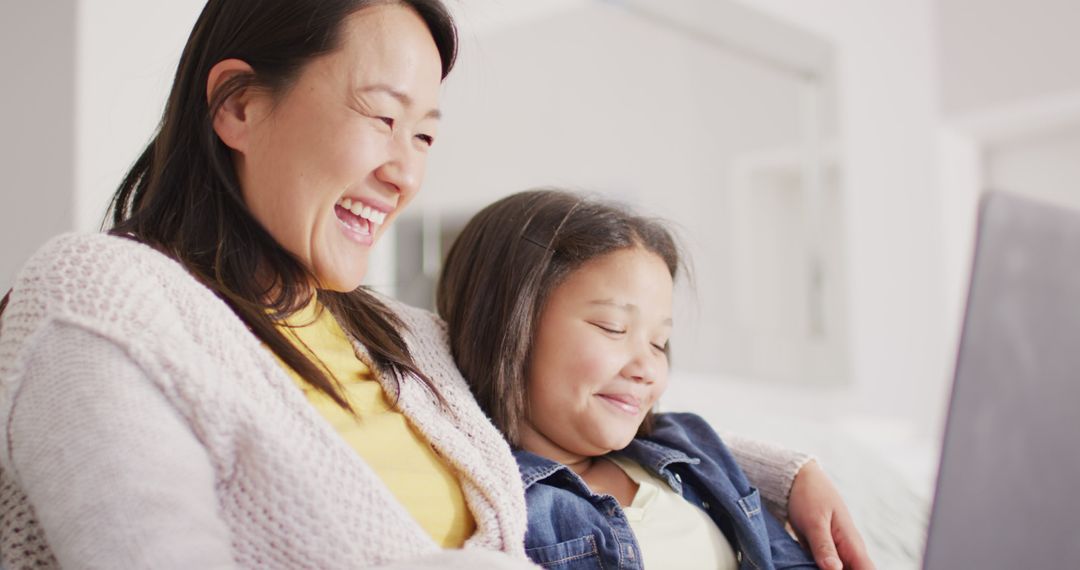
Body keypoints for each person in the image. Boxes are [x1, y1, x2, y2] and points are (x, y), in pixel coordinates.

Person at [0, 1, 866, 568]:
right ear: (238, 106)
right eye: (382, 117)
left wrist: (789, 473)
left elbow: (561, 392)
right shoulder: (102, 301)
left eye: (424, 138)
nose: (403, 174)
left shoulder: (400, 337)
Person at [437, 189, 873, 569]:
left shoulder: (692, 449)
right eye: (612, 328)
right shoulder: (505, 505)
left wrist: (796, 474)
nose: (645, 368)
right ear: (504, 323)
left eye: (660, 343)